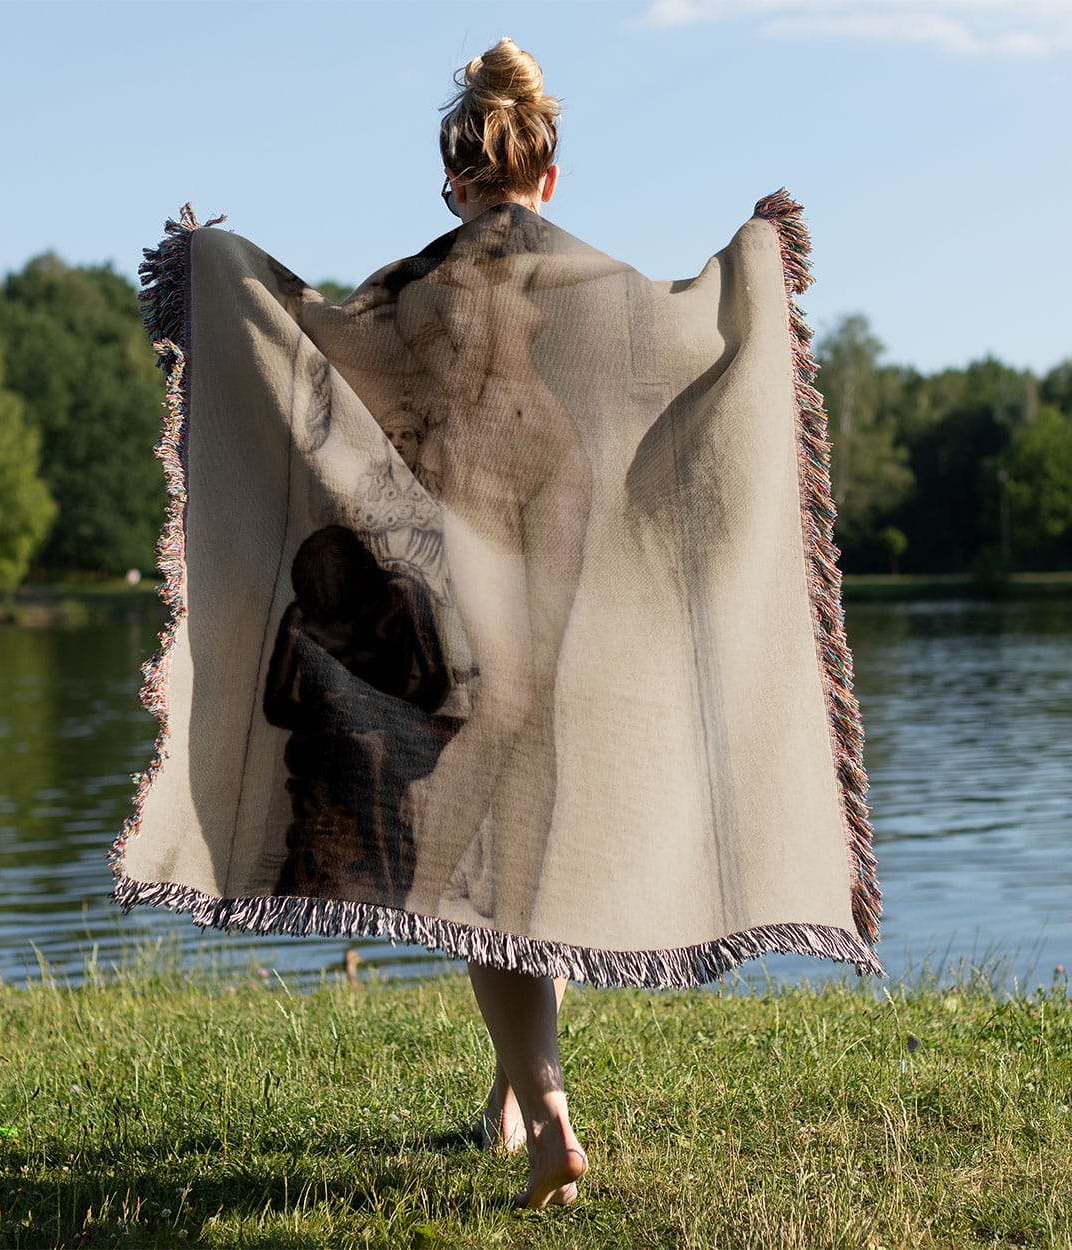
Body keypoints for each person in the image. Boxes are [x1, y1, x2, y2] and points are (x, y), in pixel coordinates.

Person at [430, 36, 590, 1211]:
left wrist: (218, 278)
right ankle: (503, 1101)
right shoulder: (592, 283)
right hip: (576, 600)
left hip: (472, 602)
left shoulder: (423, 287)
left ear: (453, 183)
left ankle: (549, 1120)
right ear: (547, 175)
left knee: (484, 879)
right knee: (534, 861)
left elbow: (320, 373)